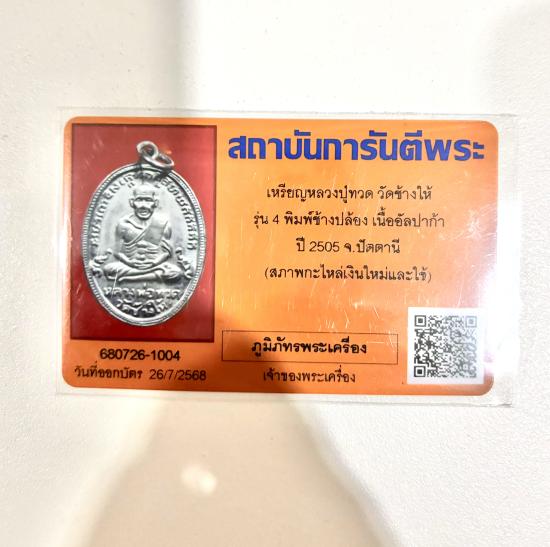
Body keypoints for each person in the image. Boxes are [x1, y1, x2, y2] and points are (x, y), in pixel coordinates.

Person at [103, 183, 183, 283]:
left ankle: (130, 278)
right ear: (132, 202)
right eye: (139, 200)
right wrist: (130, 263)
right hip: (130, 265)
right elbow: (117, 252)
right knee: (108, 270)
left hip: (154, 265)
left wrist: (153, 263)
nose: (143, 206)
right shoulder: (124, 224)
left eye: (148, 200)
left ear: (155, 203)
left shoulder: (162, 223)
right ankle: (147, 276)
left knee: (176, 273)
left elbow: (167, 253)